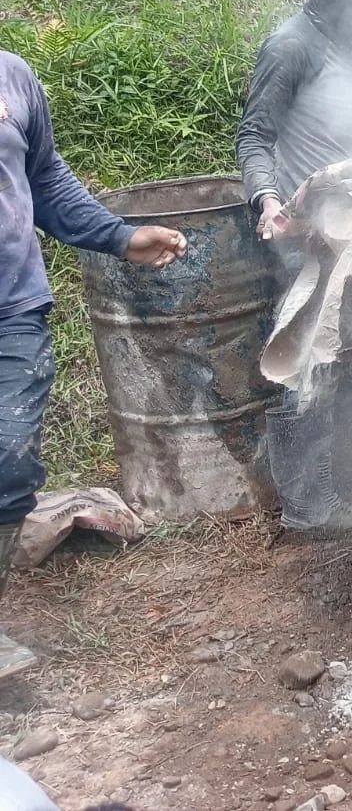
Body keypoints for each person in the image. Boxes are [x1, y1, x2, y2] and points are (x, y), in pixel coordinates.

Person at [1, 49, 187, 676]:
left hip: (10, 307)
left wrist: (119, 234)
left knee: (8, 460)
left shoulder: (11, 75)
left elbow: (44, 176)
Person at [236, 0, 352, 536]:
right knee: (313, 358)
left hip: (351, 222)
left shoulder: (349, 42)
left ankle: (347, 449)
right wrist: (268, 199)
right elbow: (254, 136)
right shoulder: (290, 46)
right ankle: (310, 504)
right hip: (308, 232)